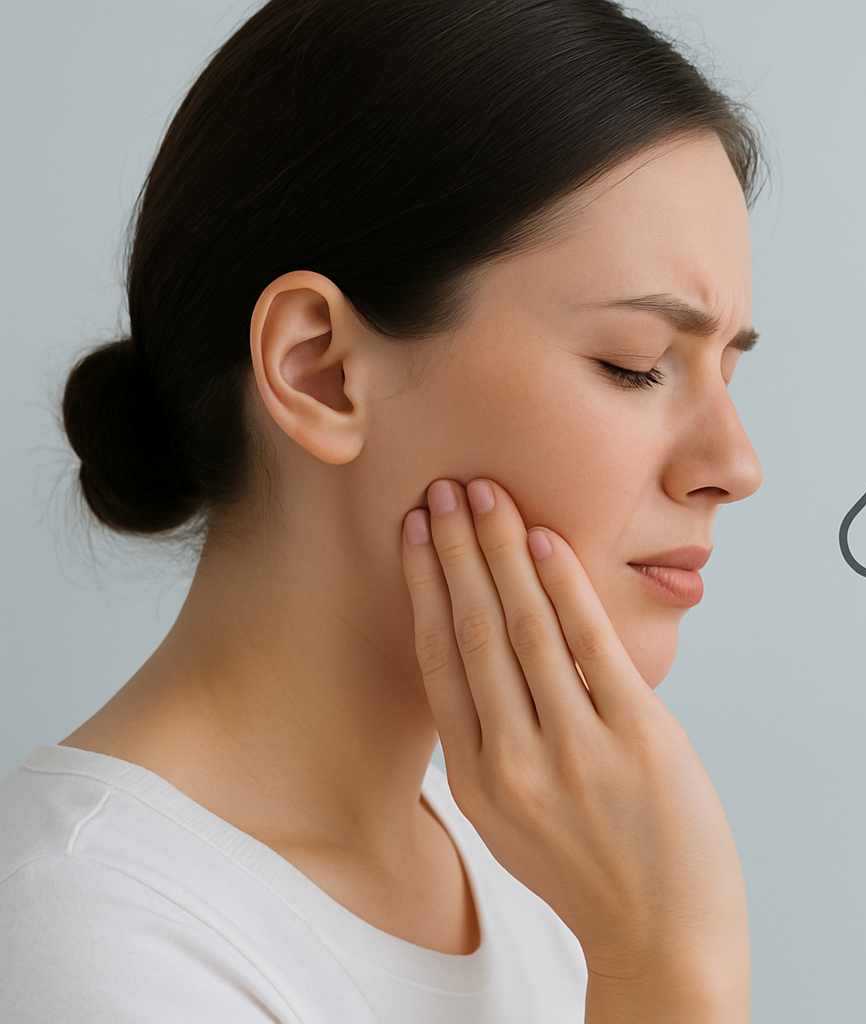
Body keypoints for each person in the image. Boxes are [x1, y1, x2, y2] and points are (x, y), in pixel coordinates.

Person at [0, 1, 764, 1021]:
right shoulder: (87, 936)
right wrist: (670, 974)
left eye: (727, 369)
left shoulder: (543, 886)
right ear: (320, 371)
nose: (735, 464)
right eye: (636, 365)